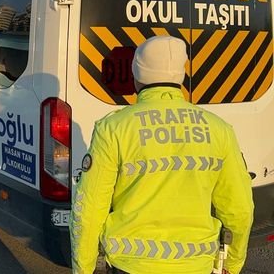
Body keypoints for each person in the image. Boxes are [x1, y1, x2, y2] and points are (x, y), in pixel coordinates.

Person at [70, 36, 253, 274]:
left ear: (137, 76)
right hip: (197, 265)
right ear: (181, 76)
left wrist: (82, 269)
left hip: (130, 265)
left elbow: (89, 211)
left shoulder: (114, 128)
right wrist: (233, 263)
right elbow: (241, 209)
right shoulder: (218, 129)